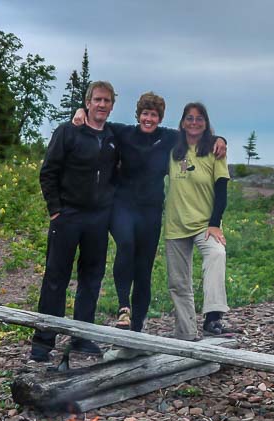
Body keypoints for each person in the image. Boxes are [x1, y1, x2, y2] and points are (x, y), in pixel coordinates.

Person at [72, 93, 225, 334]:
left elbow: (197, 133)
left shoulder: (169, 138)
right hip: (123, 206)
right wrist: (81, 111)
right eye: (145, 114)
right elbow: (98, 122)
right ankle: (124, 307)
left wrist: (220, 139)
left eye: (153, 115)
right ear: (138, 115)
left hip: (151, 209)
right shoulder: (123, 133)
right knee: (126, 245)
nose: (148, 119)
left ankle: (138, 322)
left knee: (144, 266)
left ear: (160, 118)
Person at [30, 81, 118, 361]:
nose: (102, 105)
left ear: (112, 105)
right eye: (97, 100)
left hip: (97, 219)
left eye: (107, 101)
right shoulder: (68, 132)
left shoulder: (113, 138)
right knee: (56, 278)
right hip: (68, 216)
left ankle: (81, 336)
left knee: (91, 279)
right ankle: (43, 342)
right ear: (88, 102)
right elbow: (49, 172)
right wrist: (56, 210)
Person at [164, 102, 231, 341]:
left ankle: (213, 317)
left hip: (206, 224)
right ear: (182, 122)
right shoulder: (172, 147)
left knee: (216, 255)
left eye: (199, 118)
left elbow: (221, 191)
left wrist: (215, 223)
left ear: (206, 123)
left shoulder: (215, 150)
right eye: (189, 118)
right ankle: (186, 332)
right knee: (178, 282)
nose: (194, 122)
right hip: (176, 224)